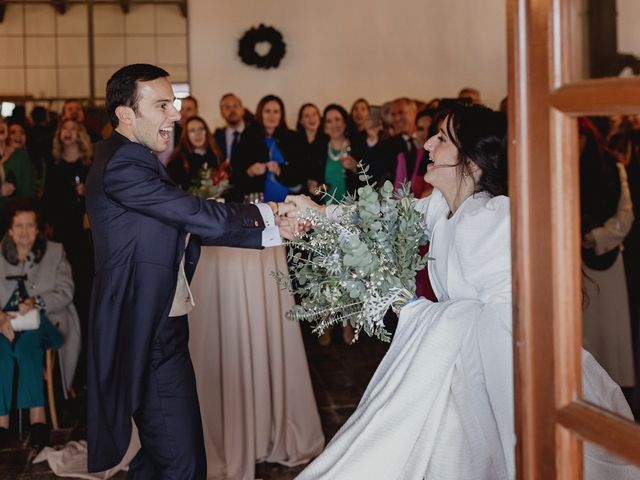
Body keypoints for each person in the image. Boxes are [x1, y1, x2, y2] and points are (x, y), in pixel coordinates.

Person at [286, 104, 640, 479]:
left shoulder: (495, 217)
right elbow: (381, 214)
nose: (427, 144)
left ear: (472, 161)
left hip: (501, 381)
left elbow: (506, 321)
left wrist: (413, 308)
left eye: (441, 138)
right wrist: (316, 213)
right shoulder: (441, 206)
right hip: (455, 368)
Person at [85, 63, 298, 478]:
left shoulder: (131, 157)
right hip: (149, 333)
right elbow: (191, 212)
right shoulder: (124, 166)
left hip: (155, 323)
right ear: (125, 114)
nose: (176, 115)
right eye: (163, 105)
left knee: (162, 455)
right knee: (183, 464)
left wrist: (271, 232)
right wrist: (270, 212)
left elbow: (186, 222)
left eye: (175, 103)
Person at [0, 198, 80, 452]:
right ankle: (1, 423)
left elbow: (67, 292)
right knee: (1, 349)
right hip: (7, 324)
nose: (24, 232)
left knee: (27, 346)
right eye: (19, 226)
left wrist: (37, 301)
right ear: (10, 230)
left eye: (30, 225)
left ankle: (38, 419)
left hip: (46, 323)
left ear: (39, 228)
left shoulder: (55, 251)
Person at [231, 94, 304, 203]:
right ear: (260, 113)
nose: (272, 116)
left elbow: (301, 173)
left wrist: (279, 170)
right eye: (267, 111)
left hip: (288, 205)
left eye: (276, 112)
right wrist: (250, 171)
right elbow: (235, 175)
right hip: (255, 205)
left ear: (281, 115)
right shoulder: (248, 137)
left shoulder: (292, 138)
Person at [167, 115, 223, 191]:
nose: (198, 134)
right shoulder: (177, 161)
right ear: (186, 135)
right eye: (192, 130)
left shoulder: (217, 155)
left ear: (206, 132)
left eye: (201, 129)